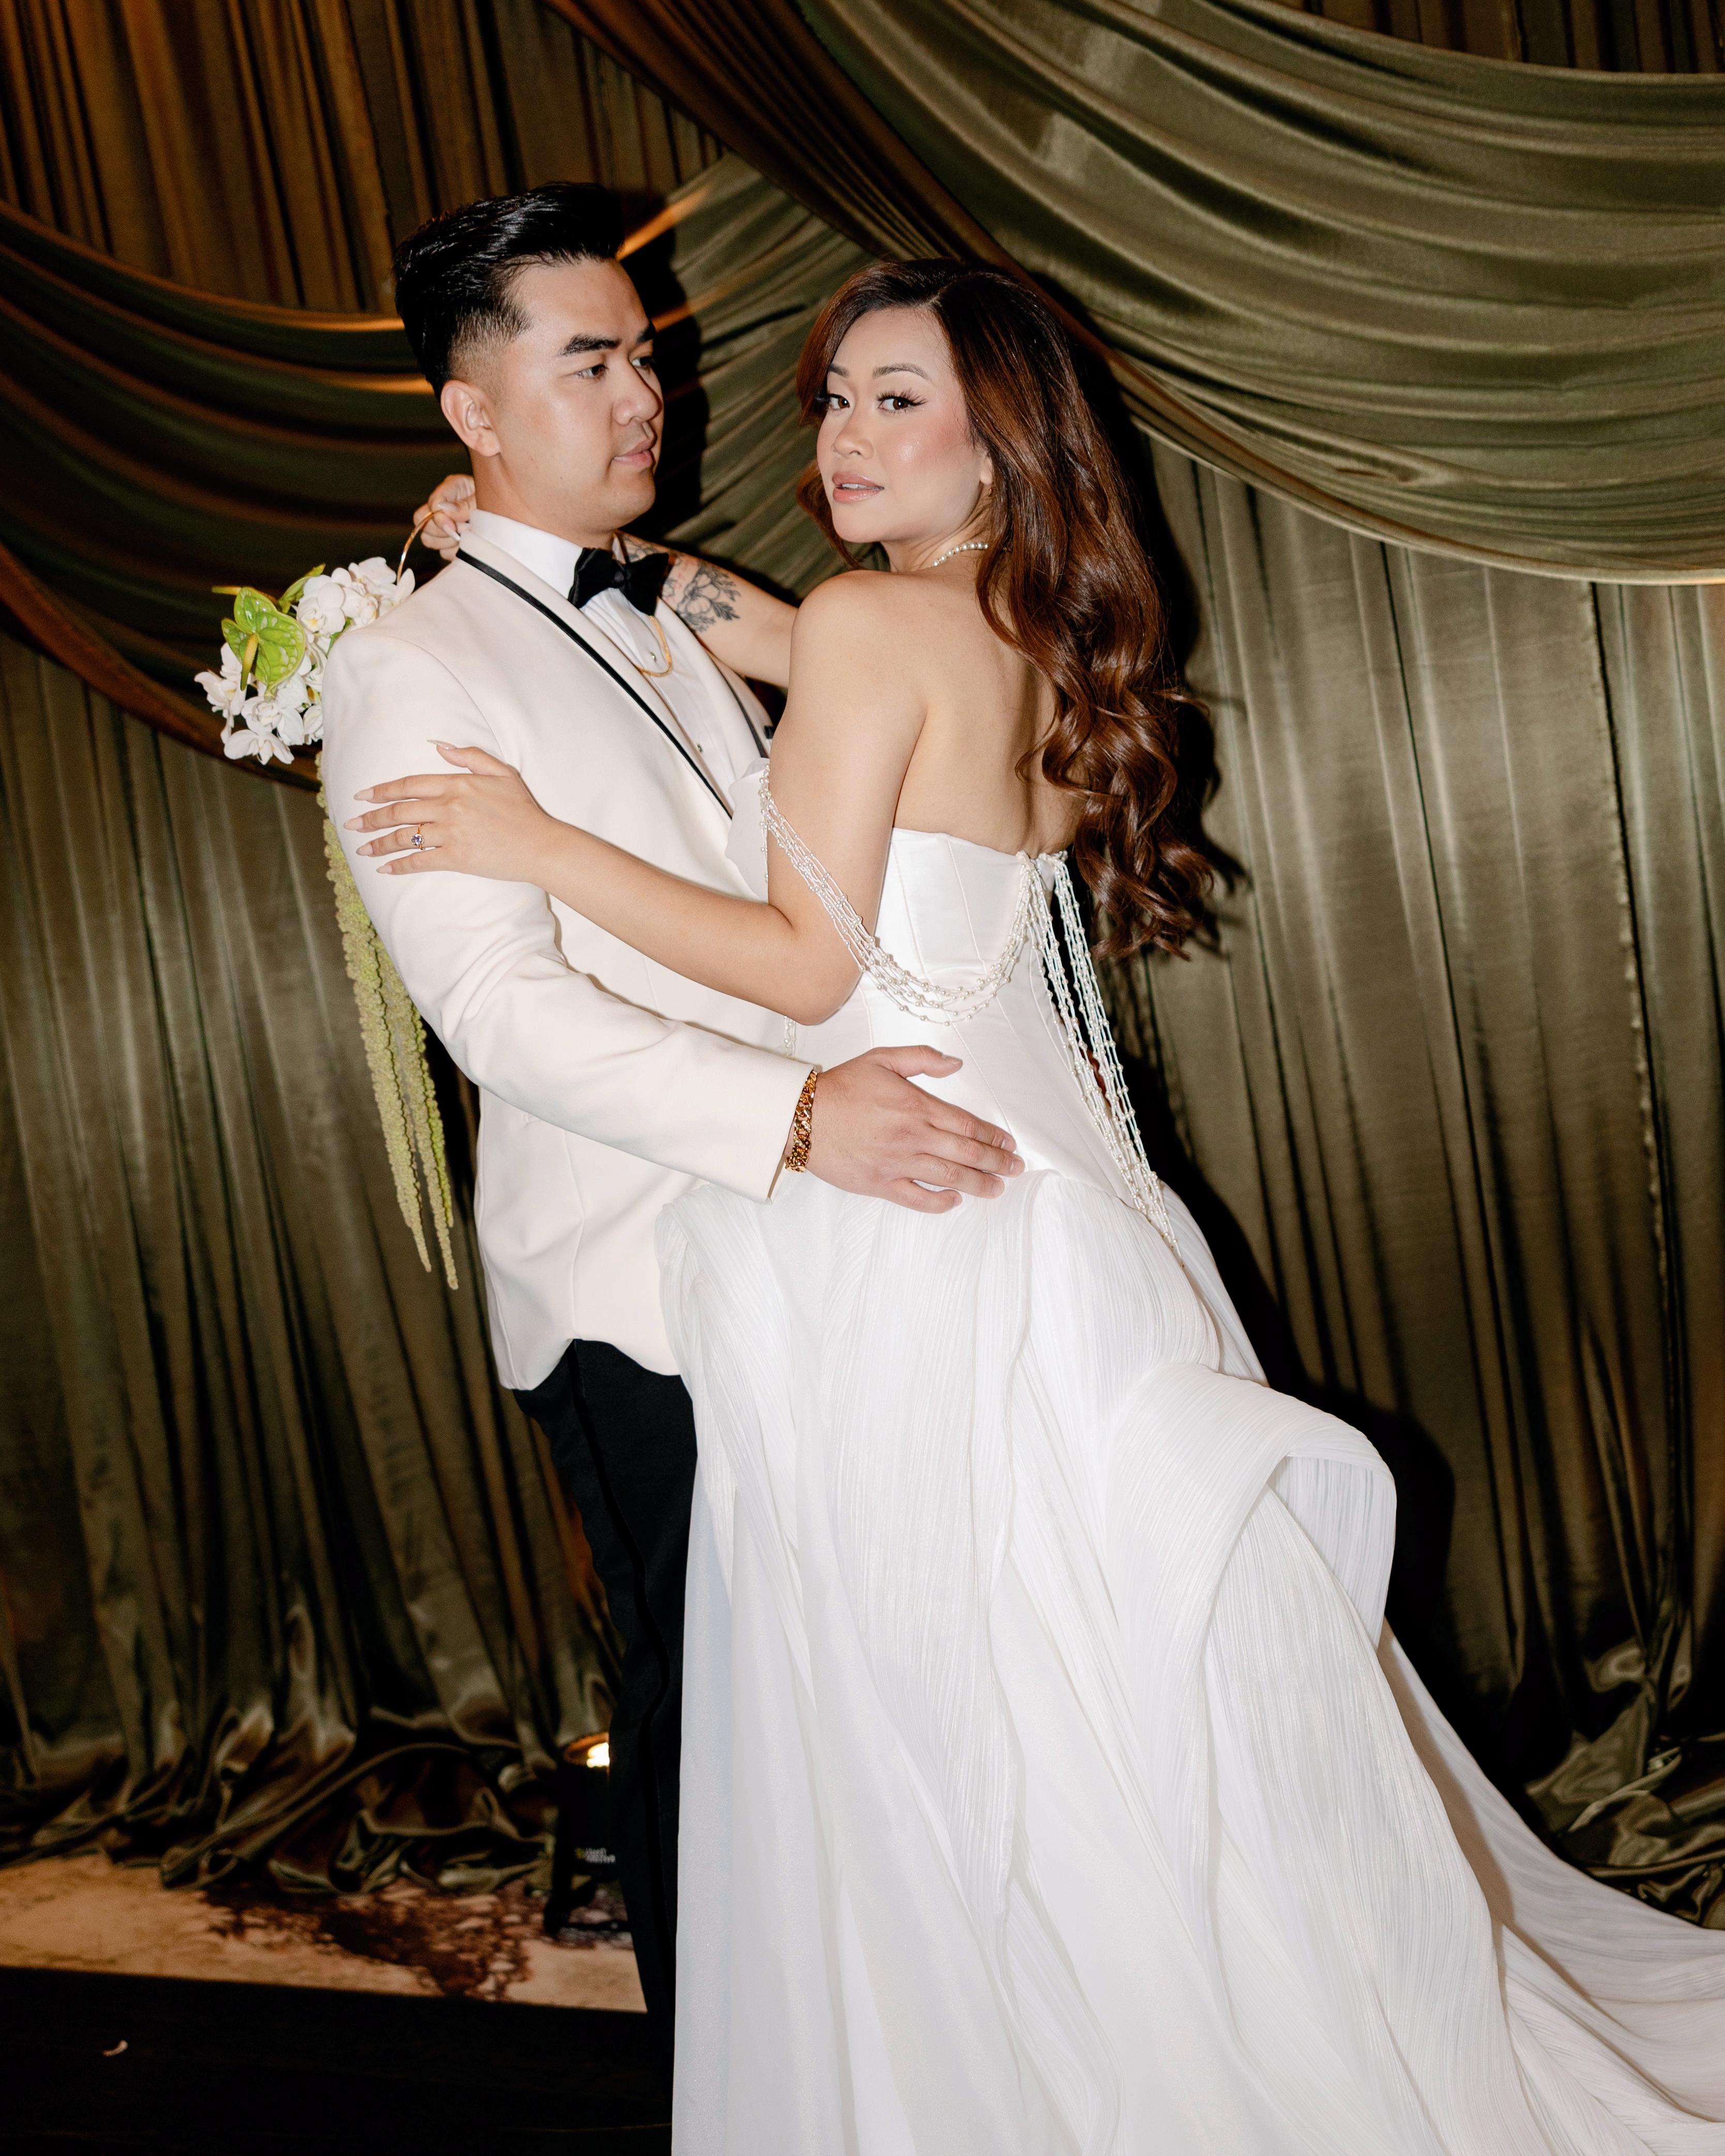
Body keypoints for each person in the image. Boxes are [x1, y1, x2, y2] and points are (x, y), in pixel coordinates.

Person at [349, 261, 1725, 2150]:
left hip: (894, 1206)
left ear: (996, 438)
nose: (842, 435)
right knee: (1089, 1681)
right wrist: (548, 549)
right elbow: (794, 672)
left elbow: (805, 963)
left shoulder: (864, 625)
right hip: (1045, 1195)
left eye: (895, 400)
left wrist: (537, 840)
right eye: (835, 398)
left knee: (921, 1705)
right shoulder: (1016, 630)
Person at [319, 192, 1026, 2060]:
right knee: (710, 1720)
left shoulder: (665, 603)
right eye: (592, 362)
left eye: (647, 355)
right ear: (474, 412)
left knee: (837, 1719)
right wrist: (794, 1118)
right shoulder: (408, 667)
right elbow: (502, 1010)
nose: (650, 394)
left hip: (808, 1248)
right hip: (636, 1275)